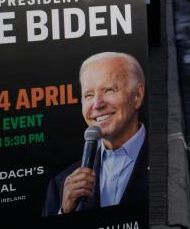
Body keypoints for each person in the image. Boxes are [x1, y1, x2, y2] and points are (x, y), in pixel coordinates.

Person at [42, 52, 147, 216]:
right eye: (89, 95)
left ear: (138, 95)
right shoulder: (61, 184)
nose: (97, 104)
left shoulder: (165, 157)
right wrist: (65, 212)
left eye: (109, 90)